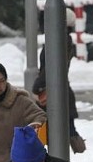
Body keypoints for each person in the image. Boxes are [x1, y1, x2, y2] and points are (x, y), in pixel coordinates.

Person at [34, 8, 86, 153]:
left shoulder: (58, 40)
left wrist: (38, 85)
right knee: (63, 129)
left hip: (53, 92)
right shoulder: (64, 39)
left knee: (49, 131)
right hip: (60, 90)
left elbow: (52, 66)